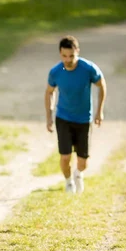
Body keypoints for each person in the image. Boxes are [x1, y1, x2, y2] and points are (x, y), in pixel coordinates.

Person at [45, 35, 107, 194]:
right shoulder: (56, 72)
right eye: (64, 56)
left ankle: (78, 174)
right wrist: (49, 117)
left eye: (71, 56)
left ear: (77, 51)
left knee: (83, 162)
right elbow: (49, 93)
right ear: (60, 53)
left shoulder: (88, 69)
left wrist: (99, 111)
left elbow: (102, 85)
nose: (68, 60)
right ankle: (68, 182)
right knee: (65, 157)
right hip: (63, 118)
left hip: (83, 119)